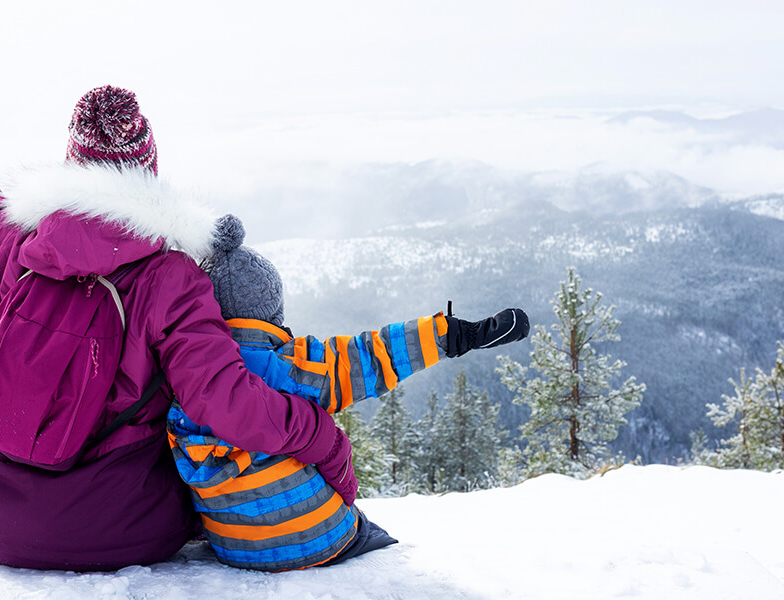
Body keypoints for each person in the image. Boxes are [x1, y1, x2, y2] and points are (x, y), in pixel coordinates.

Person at [0, 24, 357, 571]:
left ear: (71, 165)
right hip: (126, 533)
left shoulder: (11, 239)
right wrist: (326, 441)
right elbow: (226, 404)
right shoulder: (169, 277)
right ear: (148, 170)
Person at [169, 214, 530, 571]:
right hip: (320, 538)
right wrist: (451, 334)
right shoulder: (290, 364)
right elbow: (371, 356)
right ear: (271, 314)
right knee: (366, 530)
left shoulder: (183, 376)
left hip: (233, 549)